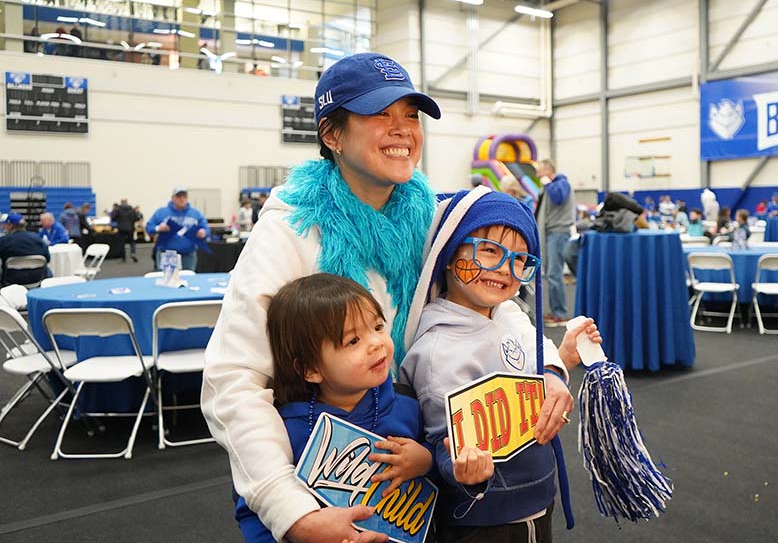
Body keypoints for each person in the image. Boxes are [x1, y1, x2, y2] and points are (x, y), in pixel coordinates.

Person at [201, 52, 445, 543]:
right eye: (380, 114)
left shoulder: (431, 218)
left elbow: (489, 299)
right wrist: (291, 511)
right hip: (313, 477)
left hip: (410, 474)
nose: (402, 129)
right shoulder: (289, 230)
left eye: (410, 115)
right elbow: (233, 379)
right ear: (332, 135)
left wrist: (545, 367)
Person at [400, 188, 599, 542]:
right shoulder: (437, 352)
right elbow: (443, 445)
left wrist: (558, 365)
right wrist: (463, 470)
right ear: (450, 254)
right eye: (489, 250)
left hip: (539, 499)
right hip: (485, 519)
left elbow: (531, 351)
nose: (505, 268)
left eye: (519, 258)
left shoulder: (506, 312)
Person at [235, 273, 432, 543]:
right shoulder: (287, 430)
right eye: (353, 341)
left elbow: (440, 482)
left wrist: (426, 460)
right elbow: (253, 509)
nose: (376, 343)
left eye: (377, 327)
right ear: (310, 369)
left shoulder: (406, 404)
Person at [535, 159, 574, 326]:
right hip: (551, 233)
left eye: (540, 171)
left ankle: (560, 314)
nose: (537, 174)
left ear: (548, 171)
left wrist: (548, 183)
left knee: (554, 274)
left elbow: (558, 198)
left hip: (558, 232)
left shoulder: (561, 183)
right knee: (551, 274)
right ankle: (555, 311)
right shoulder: (551, 186)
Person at [146, 188, 210, 271]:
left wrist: (203, 232)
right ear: (173, 198)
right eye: (179, 196)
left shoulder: (196, 213)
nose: (182, 199)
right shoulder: (161, 212)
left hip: (188, 254)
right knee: (168, 277)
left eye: (184, 196)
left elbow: (206, 228)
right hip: (168, 253)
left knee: (188, 277)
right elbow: (149, 227)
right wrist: (158, 228)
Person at [0, 213, 51, 286]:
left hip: (12, 281)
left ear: (10, 225)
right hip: (37, 279)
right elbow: (48, 259)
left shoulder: (4, 241)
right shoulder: (37, 238)